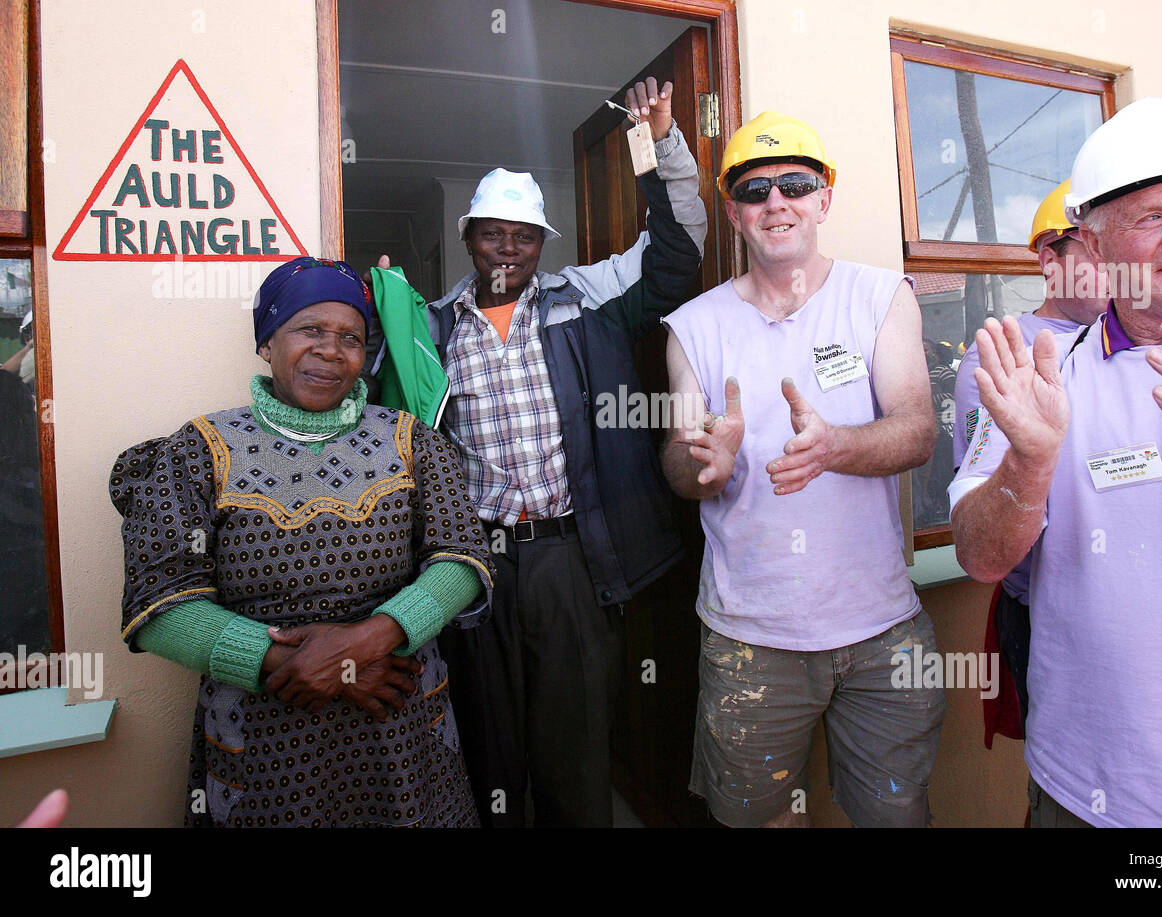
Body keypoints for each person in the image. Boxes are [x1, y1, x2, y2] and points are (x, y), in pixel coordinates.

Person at [950, 97, 1162, 827]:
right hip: (1086, 789)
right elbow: (981, 556)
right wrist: (1029, 465)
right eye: (1150, 217)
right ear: (1096, 243)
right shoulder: (1048, 372)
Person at [373, 78, 706, 827]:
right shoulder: (429, 331)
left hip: (570, 559)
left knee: (576, 752)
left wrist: (655, 144)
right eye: (494, 232)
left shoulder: (587, 298)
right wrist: (379, 310)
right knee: (487, 751)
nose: (508, 248)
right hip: (472, 564)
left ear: (540, 245)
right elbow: (375, 410)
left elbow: (678, 251)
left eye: (524, 236)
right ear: (469, 238)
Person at [110, 256, 493, 827]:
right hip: (265, 739)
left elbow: (462, 561)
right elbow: (159, 604)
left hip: (402, 734)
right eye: (309, 330)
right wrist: (304, 662)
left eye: (350, 338)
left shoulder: (412, 441)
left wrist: (366, 639)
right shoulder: (200, 448)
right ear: (268, 341)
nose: (331, 351)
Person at [660, 111, 944, 828]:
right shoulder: (694, 326)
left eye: (795, 183)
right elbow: (677, 458)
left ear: (824, 198)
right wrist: (704, 464)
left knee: (895, 816)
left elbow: (917, 432)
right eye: (755, 190)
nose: (775, 201)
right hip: (750, 639)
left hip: (881, 630)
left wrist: (833, 449)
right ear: (733, 211)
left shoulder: (882, 298)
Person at [950, 180, 1109, 745]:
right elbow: (983, 508)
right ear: (1049, 258)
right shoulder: (1004, 356)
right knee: (1065, 765)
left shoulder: (1139, 339)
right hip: (1046, 611)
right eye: (1091, 247)